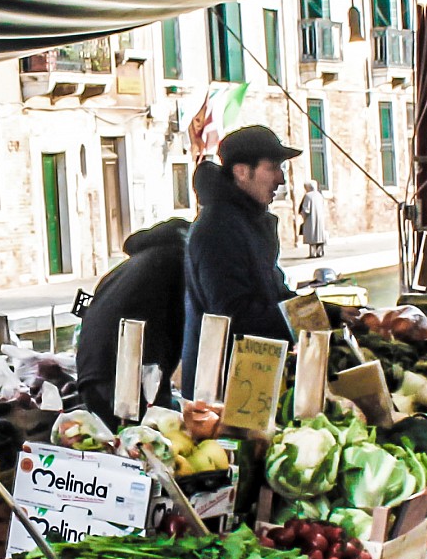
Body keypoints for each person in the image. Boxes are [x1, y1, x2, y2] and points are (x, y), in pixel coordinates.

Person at [182, 124, 301, 389]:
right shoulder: (218, 228)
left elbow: (276, 294)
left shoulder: (249, 223)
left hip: (252, 376)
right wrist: (306, 321)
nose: (280, 180)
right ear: (242, 172)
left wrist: (331, 315)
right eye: (272, 168)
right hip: (222, 387)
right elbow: (237, 315)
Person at [73, 218, 190, 420]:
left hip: (92, 377)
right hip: (126, 379)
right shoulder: (177, 263)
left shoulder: (127, 268)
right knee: (154, 442)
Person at [296, 178, 329, 260]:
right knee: (319, 236)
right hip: (320, 218)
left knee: (312, 237)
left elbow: (306, 209)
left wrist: (303, 215)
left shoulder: (308, 196)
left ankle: (312, 253)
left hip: (311, 219)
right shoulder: (319, 195)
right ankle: (320, 252)